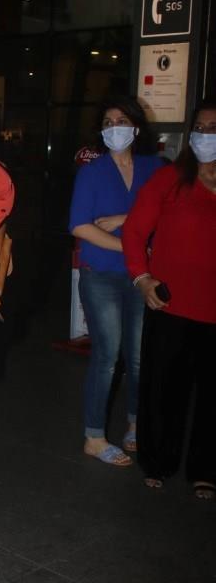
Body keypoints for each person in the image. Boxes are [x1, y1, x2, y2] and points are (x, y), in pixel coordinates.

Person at [123, 101, 216, 499]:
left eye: (213, 128)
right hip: (170, 304)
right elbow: (133, 232)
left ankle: (206, 469)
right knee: (164, 389)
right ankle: (158, 460)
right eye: (200, 127)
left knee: (212, 396)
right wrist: (142, 278)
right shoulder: (170, 179)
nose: (204, 135)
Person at [69, 95, 163, 466]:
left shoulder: (155, 168)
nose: (114, 128)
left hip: (142, 276)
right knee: (107, 356)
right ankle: (94, 437)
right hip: (101, 275)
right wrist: (133, 245)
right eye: (107, 123)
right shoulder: (92, 172)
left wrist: (124, 219)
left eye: (121, 121)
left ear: (136, 127)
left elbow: (165, 213)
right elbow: (80, 226)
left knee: (139, 356)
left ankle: (136, 424)